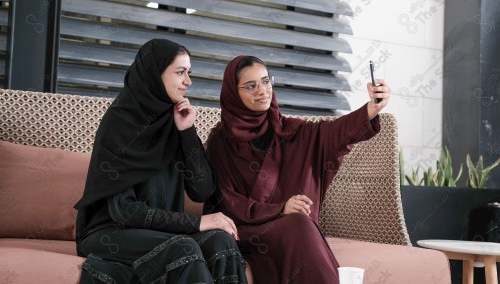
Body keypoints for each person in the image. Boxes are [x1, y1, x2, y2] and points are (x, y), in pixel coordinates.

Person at [205, 56, 391, 284]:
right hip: (245, 230)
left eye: (266, 81)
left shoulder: (290, 131)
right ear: (234, 92)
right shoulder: (220, 142)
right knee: (298, 223)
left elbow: (333, 134)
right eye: (251, 86)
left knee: (299, 222)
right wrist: (279, 209)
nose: (262, 91)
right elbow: (227, 200)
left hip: (291, 226)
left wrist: (370, 109)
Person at [74, 39, 248, 284]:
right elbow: (123, 211)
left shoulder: (173, 120)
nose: (188, 81)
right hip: (109, 233)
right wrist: (198, 222)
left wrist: (187, 132)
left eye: (189, 73)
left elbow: (202, 191)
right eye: (180, 72)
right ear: (155, 74)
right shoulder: (120, 124)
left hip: (162, 234)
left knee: (222, 241)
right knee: (184, 248)